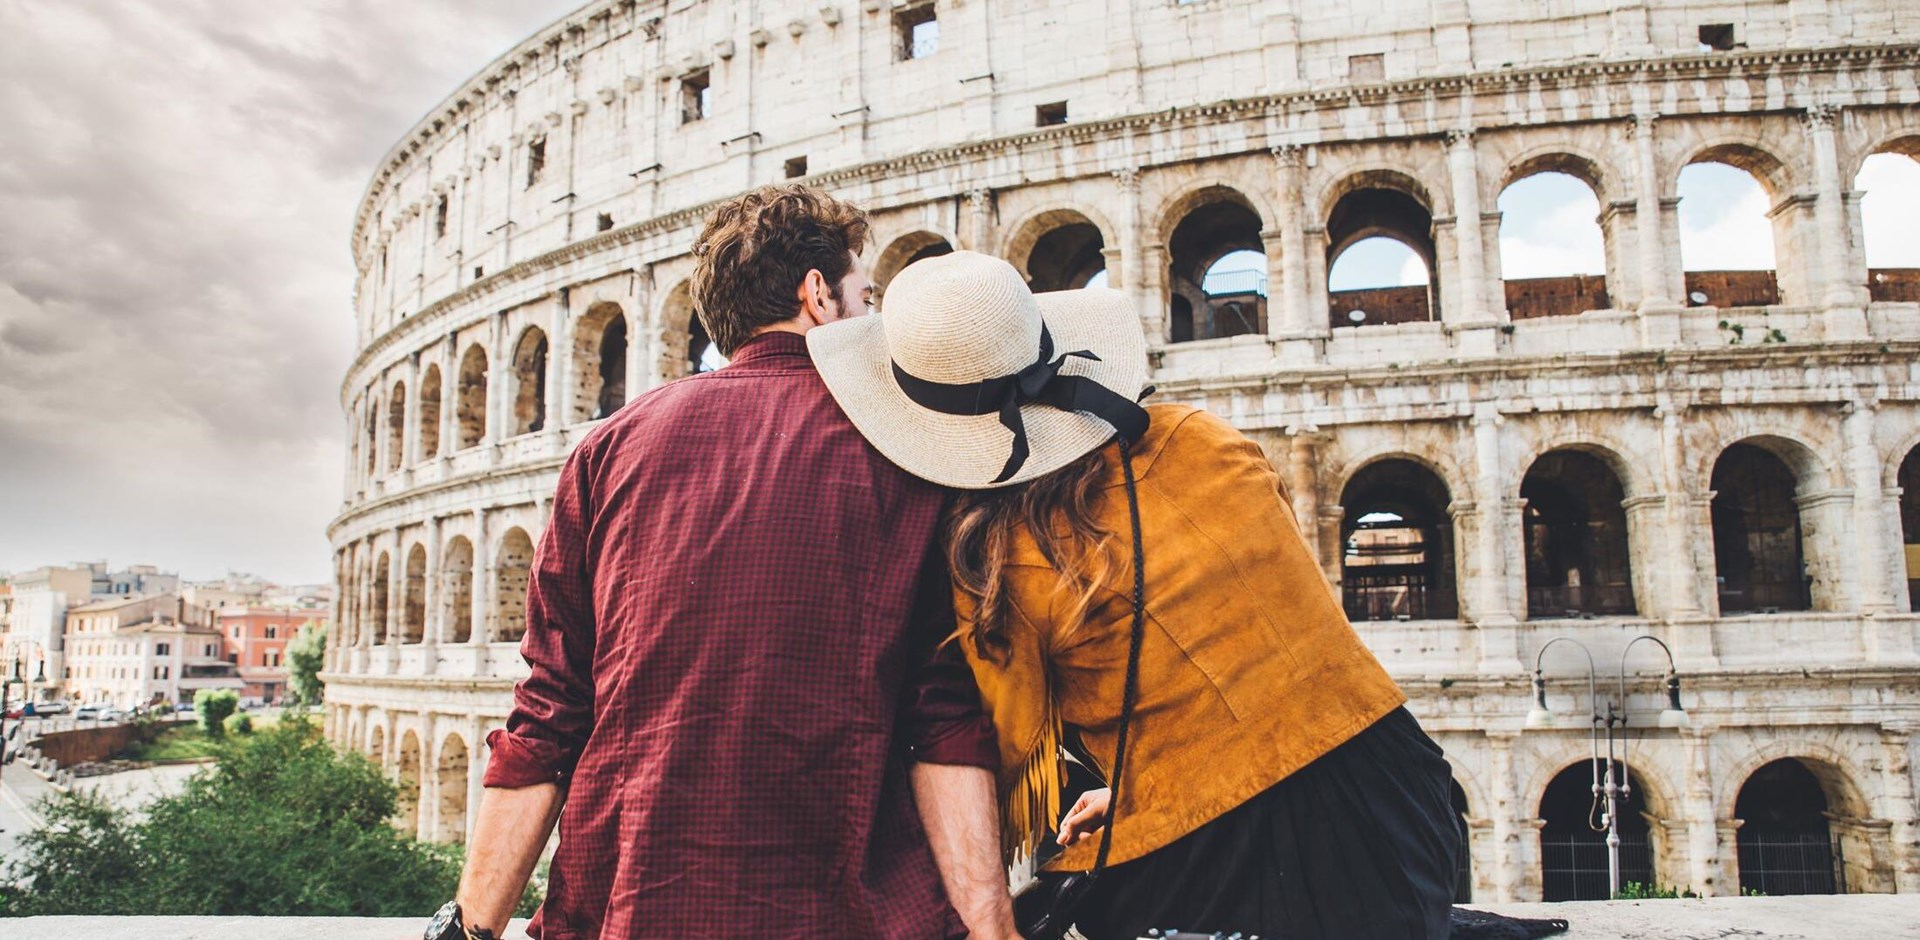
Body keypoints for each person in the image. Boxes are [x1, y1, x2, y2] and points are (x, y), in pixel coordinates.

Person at [809, 250, 1461, 939]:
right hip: (1401, 818)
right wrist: (1152, 784)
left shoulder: (1000, 557)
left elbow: (1006, 751)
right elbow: (1250, 658)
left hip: (1232, 875)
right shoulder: (1205, 438)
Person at [427, 187, 1020, 940]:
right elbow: (940, 723)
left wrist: (470, 926)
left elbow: (547, 713)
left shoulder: (608, 451)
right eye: (863, 295)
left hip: (630, 907)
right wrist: (994, 928)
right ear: (818, 297)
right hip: (843, 911)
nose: (868, 315)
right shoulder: (910, 452)